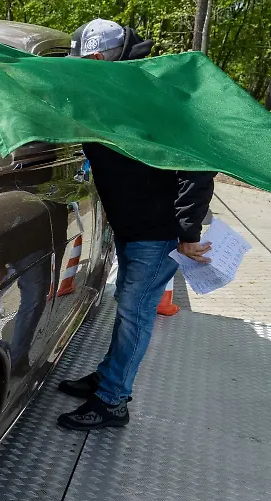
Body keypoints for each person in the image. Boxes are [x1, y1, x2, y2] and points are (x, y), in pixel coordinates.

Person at [56, 19, 216, 430]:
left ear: (103, 56)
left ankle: (113, 401)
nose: (83, 67)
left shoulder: (153, 100)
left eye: (88, 59)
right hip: (134, 226)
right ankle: (109, 377)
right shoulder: (107, 96)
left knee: (136, 311)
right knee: (129, 307)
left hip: (158, 230)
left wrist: (187, 231)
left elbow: (194, 166)